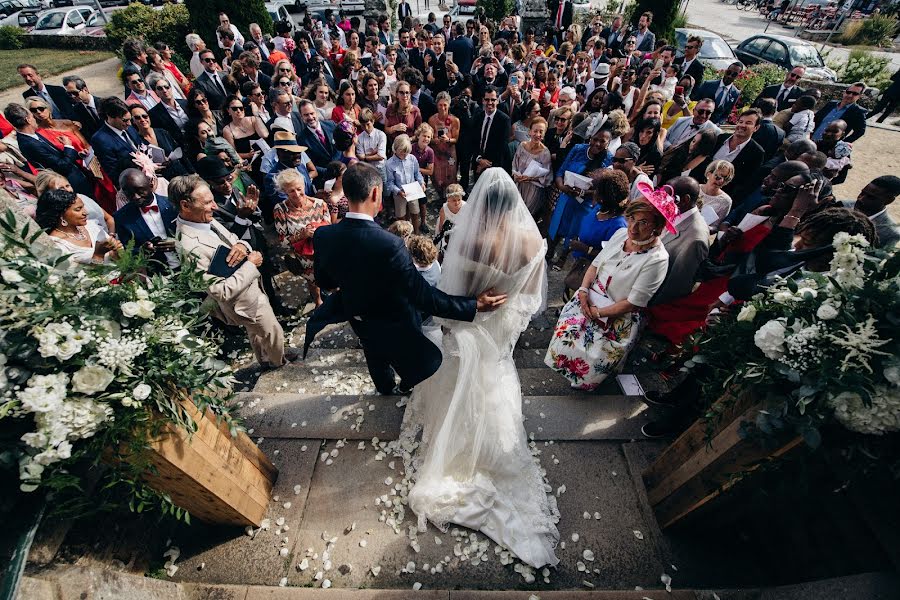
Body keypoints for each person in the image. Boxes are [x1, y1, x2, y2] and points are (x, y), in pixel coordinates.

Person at [399, 167, 557, 568]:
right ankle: (491, 451)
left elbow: (455, 296)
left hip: (472, 326)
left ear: (481, 204)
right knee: (495, 380)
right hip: (500, 330)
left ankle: (460, 451)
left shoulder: (471, 240)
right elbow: (531, 300)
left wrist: (462, 321)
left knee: (461, 384)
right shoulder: (533, 241)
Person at [307, 161, 506, 395]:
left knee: (373, 353)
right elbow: (423, 296)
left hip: (358, 316)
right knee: (405, 357)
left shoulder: (324, 235)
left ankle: (384, 388)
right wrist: (473, 305)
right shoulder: (390, 244)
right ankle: (404, 385)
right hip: (395, 321)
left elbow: (326, 281)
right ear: (375, 193)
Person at [546, 182, 672, 389]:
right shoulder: (620, 234)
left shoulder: (657, 259)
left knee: (592, 360)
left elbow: (633, 302)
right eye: (631, 218)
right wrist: (584, 291)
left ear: (658, 227)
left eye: (643, 223)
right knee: (567, 346)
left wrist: (597, 313)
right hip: (589, 302)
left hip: (615, 317)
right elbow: (595, 265)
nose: (633, 228)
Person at [172, 174, 290, 370]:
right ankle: (279, 363)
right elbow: (219, 291)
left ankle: (266, 360)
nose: (215, 207)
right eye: (208, 202)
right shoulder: (189, 246)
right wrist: (251, 264)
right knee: (271, 330)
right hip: (241, 301)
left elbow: (234, 239)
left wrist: (243, 246)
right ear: (185, 205)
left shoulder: (203, 220)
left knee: (257, 332)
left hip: (251, 291)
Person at [547, 128, 614, 262]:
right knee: (557, 224)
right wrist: (561, 186)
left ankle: (563, 257)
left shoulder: (609, 160)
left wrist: (584, 192)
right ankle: (549, 252)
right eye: (595, 139)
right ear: (590, 138)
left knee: (574, 230)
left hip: (585, 202)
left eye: (602, 141)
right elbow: (561, 171)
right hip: (566, 195)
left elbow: (603, 189)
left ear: (608, 143)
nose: (597, 144)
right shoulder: (578, 149)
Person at [563, 169, 631, 298]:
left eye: (597, 190)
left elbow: (611, 257)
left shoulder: (617, 226)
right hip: (579, 263)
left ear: (604, 197)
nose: (594, 192)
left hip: (592, 273)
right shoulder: (598, 209)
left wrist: (586, 249)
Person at [5, 103, 93, 199]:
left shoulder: (32, 135)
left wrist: (78, 155)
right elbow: (63, 166)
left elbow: (56, 155)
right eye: (32, 115)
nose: (35, 118)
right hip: (70, 185)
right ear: (28, 119)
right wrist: (68, 146)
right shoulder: (29, 144)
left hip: (79, 177)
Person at [272, 168, 331, 307]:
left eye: (299, 188)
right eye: (291, 191)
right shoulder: (280, 210)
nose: (297, 194)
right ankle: (318, 302)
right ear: (284, 191)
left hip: (323, 252)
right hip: (303, 258)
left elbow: (330, 229)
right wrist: (301, 235)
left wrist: (318, 231)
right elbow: (283, 242)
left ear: (304, 184)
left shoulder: (320, 204)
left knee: (332, 277)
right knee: (312, 280)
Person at [650, 176, 710, 306]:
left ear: (684, 200)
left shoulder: (695, 239)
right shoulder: (676, 212)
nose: (662, 200)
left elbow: (676, 285)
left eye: (667, 196)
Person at [113, 168, 179, 271]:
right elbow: (127, 250)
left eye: (140, 191)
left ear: (151, 185)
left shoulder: (173, 205)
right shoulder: (122, 217)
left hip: (187, 263)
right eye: (129, 194)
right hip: (157, 273)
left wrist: (179, 244)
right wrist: (142, 250)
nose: (136, 197)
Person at [691, 109, 765, 199]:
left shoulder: (756, 153)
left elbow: (744, 183)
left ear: (756, 128)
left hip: (717, 197)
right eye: (741, 121)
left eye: (748, 123)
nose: (742, 125)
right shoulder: (720, 138)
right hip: (696, 185)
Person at [36, 188, 122, 265]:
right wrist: (98, 255)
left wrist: (116, 252)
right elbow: (76, 277)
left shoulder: (91, 226)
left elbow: (118, 258)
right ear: (61, 215)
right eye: (78, 209)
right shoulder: (57, 245)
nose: (85, 212)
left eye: (83, 207)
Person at [129, 104, 192, 181]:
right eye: (137, 118)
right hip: (164, 180)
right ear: (133, 121)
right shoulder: (138, 142)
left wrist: (192, 172)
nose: (142, 119)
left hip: (182, 173)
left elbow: (180, 153)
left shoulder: (162, 132)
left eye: (145, 116)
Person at [91, 97, 142, 188]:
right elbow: (113, 172)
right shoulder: (100, 140)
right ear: (110, 117)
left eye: (130, 119)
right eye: (125, 120)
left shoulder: (128, 127)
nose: (129, 124)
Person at [512, 116, 553, 216]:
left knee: (524, 217)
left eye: (541, 132)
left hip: (533, 191)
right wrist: (515, 175)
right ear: (530, 131)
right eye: (535, 131)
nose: (537, 134)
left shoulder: (545, 153)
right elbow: (514, 164)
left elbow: (547, 177)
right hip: (518, 185)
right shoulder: (522, 146)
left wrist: (531, 178)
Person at [845, 175, 900, 248]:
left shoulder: (890, 233)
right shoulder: (842, 205)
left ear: (889, 200)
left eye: (871, 197)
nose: (860, 199)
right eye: (862, 193)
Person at [386, 134, 426, 233]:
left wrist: (422, 182)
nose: (405, 155)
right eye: (402, 153)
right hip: (399, 193)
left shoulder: (412, 158)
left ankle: (416, 233)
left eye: (407, 153)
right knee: (401, 217)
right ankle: (404, 236)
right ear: (395, 149)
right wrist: (398, 191)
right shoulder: (389, 163)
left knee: (415, 213)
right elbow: (390, 182)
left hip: (413, 190)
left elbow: (417, 173)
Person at [297, 99, 340, 186]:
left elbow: (340, 147)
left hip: (342, 171)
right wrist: (330, 173)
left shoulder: (331, 125)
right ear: (301, 117)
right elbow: (311, 164)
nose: (310, 117)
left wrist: (340, 168)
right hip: (324, 180)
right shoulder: (301, 139)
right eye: (306, 115)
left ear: (316, 112)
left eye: (312, 113)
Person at [473, 87, 512, 176]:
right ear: (483, 101)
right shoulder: (478, 117)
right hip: (478, 165)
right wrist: (479, 160)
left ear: (497, 101)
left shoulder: (504, 120)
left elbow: (502, 147)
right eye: (487, 100)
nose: (490, 103)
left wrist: (485, 165)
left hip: (496, 168)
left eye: (493, 100)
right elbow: (473, 141)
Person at [147, 73, 190, 146]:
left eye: (166, 87)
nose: (164, 90)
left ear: (171, 88)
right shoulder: (154, 114)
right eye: (160, 88)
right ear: (156, 93)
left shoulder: (185, 103)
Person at [62, 76, 102, 141]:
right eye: (69, 94)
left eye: (75, 93)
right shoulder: (76, 110)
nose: (72, 96)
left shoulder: (103, 103)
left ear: (85, 90)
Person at [699, 160, 734, 231]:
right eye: (718, 177)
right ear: (709, 174)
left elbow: (716, 226)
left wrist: (704, 228)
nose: (721, 181)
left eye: (726, 178)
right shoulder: (694, 188)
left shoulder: (726, 201)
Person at [356, 108, 387, 180]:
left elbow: (381, 156)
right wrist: (374, 153)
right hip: (367, 169)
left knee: (385, 188)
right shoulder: (360, 138)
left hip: (380, 168)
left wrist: (365, 157)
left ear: (373, 121)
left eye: (368, 124)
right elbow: (361, 157)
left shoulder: (381, 135)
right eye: (363, 125)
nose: (366, 128)